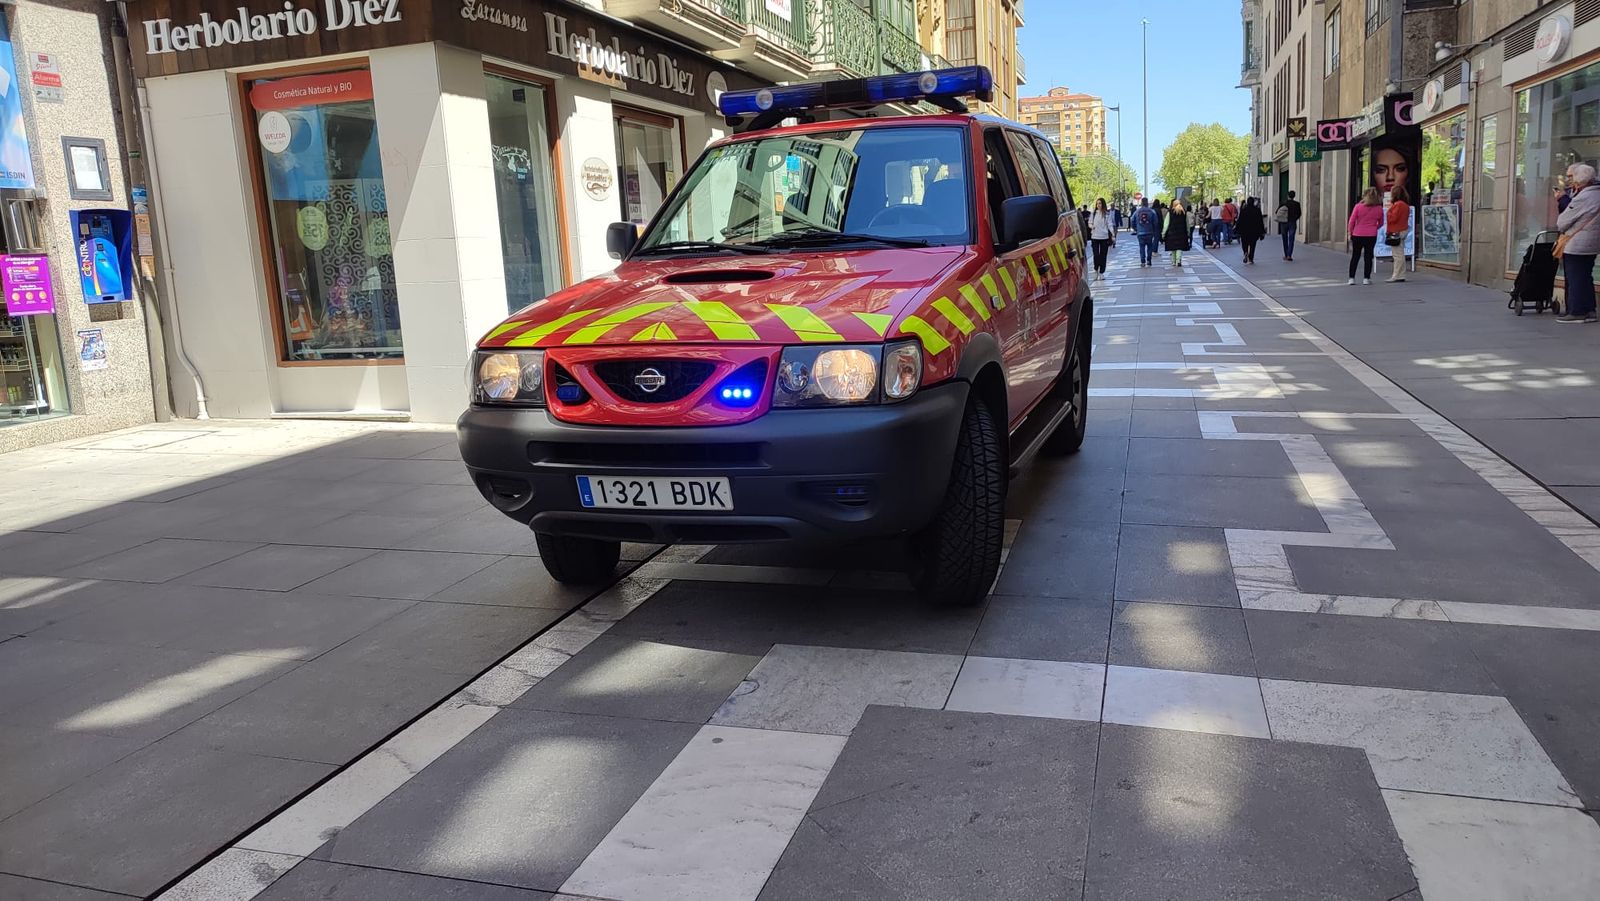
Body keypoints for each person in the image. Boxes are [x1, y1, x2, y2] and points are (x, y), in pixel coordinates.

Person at [1556, 162, 1600, 323]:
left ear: (1579, 180)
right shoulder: (1597, 193)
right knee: (1585, 276)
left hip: (1577, 243)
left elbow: (1562, 222)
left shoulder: (1584, 197)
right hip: (1593, 242)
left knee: (1575, 277)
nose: (1571, 180)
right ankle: (1589, 310)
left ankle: (1577, 311)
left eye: (1572, 177)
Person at [1347, 187, 1384, 285]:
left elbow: (1351, 221)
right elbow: (1381, 223)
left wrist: (1350, 232)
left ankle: (1351, 278)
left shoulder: (1358, 206)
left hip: (1357, 233)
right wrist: (1374, 227)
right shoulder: (1379, 208)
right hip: (1371, 235)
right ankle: (1366, 278)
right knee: (1368, 257)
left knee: (1355, 256)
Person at [1385, 184, 1411, 283]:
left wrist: (1389, 212)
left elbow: (1393, 218)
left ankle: (1396, 275)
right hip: (1402, 229)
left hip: (1396, 231)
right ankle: (1401, 274)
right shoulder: (1405, 205)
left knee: (1397, 255)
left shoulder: (1398, 204)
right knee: (1400, 253)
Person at [1088, 198, 1117, 280]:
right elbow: (1090, 223)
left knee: (1103, 255)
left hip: (1104, 237)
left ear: (1103, 204)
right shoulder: (1093, 214)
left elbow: (1110, 224)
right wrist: (1091, 226)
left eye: (1100, 203)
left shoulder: (1107, 214)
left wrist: (1113, 234)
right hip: (1095, 237)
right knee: (1096, 255)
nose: (1098, 205)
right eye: (1097, 204)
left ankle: (1101, 272)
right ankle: (1095, 269)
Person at [1235, 196, 1267, 264]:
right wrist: (1262, 231)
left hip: (1244, 230)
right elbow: (1260, 221)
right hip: (1254, 231)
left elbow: (1240, 221)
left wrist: (1237, 229)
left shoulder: (1243, 210)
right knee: (1252, 244)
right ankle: (1251, 258)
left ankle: (1245, 252)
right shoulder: (1257, 210)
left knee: (1244, 243)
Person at [1132, 197, 1160, 267]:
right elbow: (1156, 222)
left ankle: (1142, 261)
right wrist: (1153, 229)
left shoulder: (1137, 211)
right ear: (1147, 203)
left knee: (1141, 247)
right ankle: (1149, 260)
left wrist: (1135, 228)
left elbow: (1132, 220)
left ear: (1141, 203)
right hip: (1149, 232)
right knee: (1149, 246)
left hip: (1140, 232)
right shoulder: (1152, 211)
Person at [1163, 199, 1192, 267]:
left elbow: (1166, 224)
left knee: (1173, 247)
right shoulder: (1184, 213)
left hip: (1172, 232)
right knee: (1179, 247)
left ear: (1173, 205)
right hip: (1182, 232)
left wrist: (1163, 233)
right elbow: (1187, 223)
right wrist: (1188, 232)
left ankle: (1173, 261)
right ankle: (1178, 260)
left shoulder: (1170, 212)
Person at [1277, 190, 1302, 260]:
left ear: (1288, 196)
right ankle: (1289, 255)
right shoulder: (1297, 204)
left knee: (1284, 239)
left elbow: (1277, 212)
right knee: (1291, 239)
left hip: (1284, 223)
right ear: (1294, 196)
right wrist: (1294, 219)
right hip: (1292, 223)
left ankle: (1286, 254)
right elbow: (1299, 213)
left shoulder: (1283, 203)